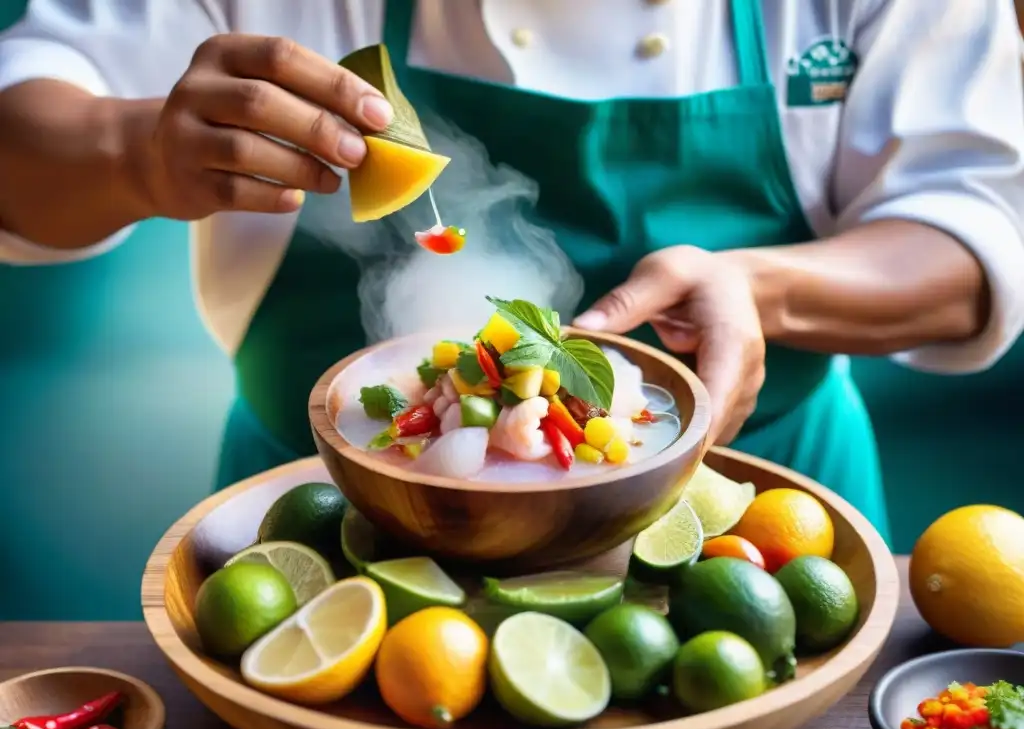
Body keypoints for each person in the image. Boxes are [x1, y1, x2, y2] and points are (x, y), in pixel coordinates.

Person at [1, 0, 1023, 547]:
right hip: (321, 526)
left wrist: (763, 289)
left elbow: (973, 234)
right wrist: (137, 150)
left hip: (756, 524)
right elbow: (20, 136)